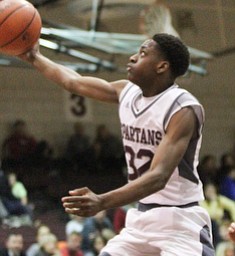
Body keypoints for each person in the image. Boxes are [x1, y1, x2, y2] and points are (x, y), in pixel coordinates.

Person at [20, 33, 215, 255]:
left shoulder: (182, 108)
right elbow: (72, 82)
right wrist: (34, 57)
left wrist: (102, 201)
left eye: (142, 54)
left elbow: (158, 176)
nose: (132, 58)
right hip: (142, 217)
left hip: (179, 221)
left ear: (161, 66)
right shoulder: (126, 91)